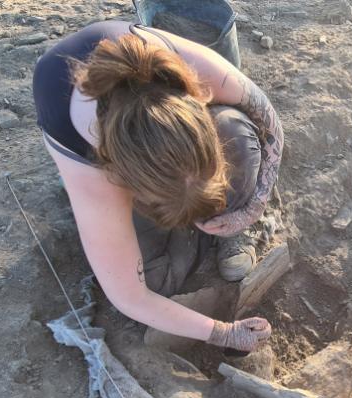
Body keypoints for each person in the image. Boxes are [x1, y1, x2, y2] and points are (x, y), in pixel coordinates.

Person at [32, 20, 283, 352]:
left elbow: (270, 123)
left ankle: (224, 229)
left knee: (236, 133)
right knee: (152, 281)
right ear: (125, 181)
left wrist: (255, 203)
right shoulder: (91, 171)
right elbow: (129, 296)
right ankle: (185, 232)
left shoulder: (189, 69)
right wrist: (222, 332)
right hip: (98, 153)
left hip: (168, 120)